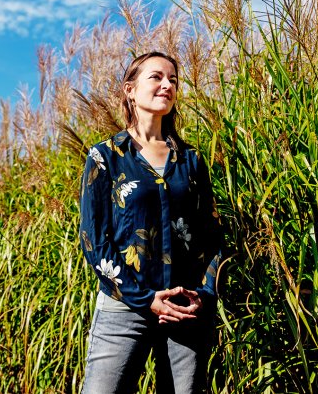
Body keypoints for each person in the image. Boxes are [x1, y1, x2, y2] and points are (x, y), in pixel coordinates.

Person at [79, 51, 223, 394]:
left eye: (173, 79)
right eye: (156, 77)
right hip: (123, 306)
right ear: (130, 89)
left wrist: (204, 294)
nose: (167, 85)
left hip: (185, 308)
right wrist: (143, 297)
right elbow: (94, 242)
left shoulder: (191, 161)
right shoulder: (106, 157)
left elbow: (212, 237)